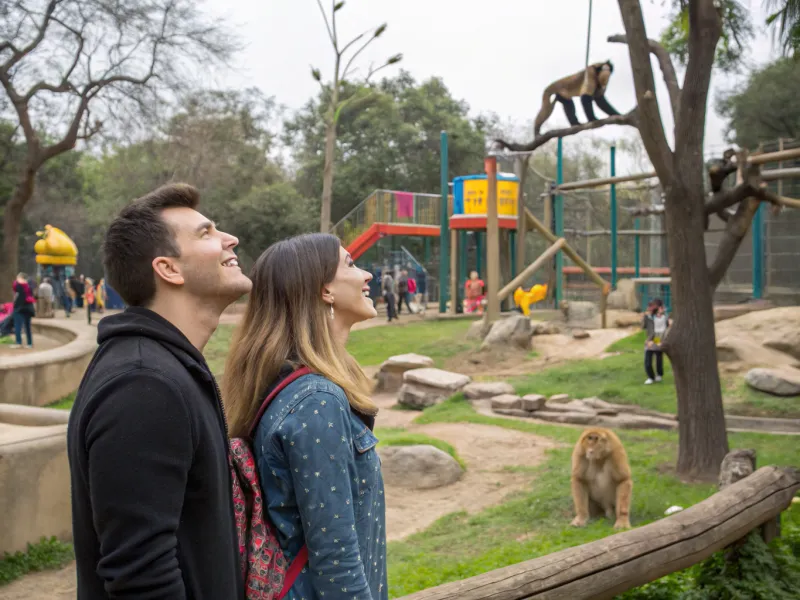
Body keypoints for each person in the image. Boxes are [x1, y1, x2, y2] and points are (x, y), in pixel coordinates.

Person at [67, 183, 250, 599]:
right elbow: (140, 578)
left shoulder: (165, 369)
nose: (229, 238)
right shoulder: (145, 385)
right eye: (206, 233)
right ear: (169, 269)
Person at [222, 233, 388, 600]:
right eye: (350, 264)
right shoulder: (317, 401)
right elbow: (335, 562)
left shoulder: (290, 385)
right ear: (324, 290)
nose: (367, 276)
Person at [643, 298, 670, 384]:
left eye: (653, 306)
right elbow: (643, 327)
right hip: (650, 340)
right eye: (650, 306)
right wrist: (645, 317)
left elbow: (665, 328)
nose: (650, 308)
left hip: (659, 339)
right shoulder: (649, 317)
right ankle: (651, 377)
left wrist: (659, 341)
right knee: (648, 360)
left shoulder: (664, 317)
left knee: (659, 358)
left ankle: (659, 374)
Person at [10, 273, 35, 348]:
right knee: (27, 326)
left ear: (21, 278)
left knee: (18, 325)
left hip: (19, 308)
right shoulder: (30, 286)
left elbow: (16, 295)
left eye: (18, 278)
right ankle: (29, 343)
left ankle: (18, 342)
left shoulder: (18, 286)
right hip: (29, 308)